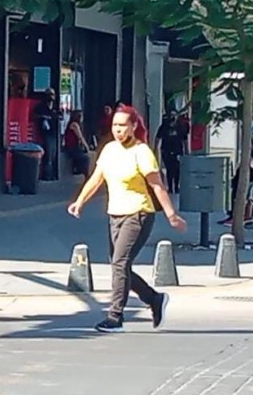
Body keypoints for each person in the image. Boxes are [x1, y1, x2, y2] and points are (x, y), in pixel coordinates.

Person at [68, 105, 187, 334]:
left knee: (120, 263)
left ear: (133, 126)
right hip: (115, 213)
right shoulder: (110, 150)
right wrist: (80, 201)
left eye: (123, 126)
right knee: (119, 265)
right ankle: (154, 298)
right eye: (115, 125)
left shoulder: (141, 152)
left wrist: (171, 214)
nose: (118, 130)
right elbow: (96, 178)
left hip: (139, 213)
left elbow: (157, 185)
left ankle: (115, 317)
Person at [154, 111, 188, 194]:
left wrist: (187, 151)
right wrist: (155, 148)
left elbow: (185, 140)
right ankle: (170, 187)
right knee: (169, 169)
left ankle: (176, 186)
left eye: (174, 115)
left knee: (177, 169)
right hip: (166, 150)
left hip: (178, 150)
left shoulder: (180, 126)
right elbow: (158, 138)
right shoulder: (164, 126)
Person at [34, 89, 60, 180]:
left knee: (53, 153)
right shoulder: (41, 106)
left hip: (54, 132)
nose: (51, 97)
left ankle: (51, 174)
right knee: (48, 153)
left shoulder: (55, 107)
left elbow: (60, 116)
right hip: (45, 133)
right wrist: (43, 118)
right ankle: (47, 175)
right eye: (49, 95)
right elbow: (35, 115)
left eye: (52, 95)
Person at [63, 110, 90, 176]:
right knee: (85, 158)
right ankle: (85, 174)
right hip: (71, 147)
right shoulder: (74, 124)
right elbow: (80, 137)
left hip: (74, 146)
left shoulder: (73, 124)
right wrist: (87, 147)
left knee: (81, 155)